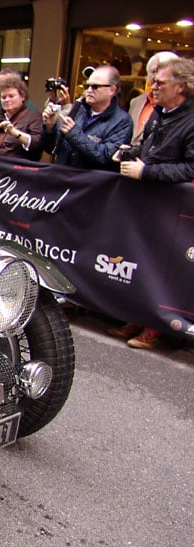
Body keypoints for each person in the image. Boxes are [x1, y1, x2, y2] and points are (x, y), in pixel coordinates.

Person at [111, 57, 194, 350]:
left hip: (173, 208)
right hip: (146, 202)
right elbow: (149, 147)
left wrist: (146, 171)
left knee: (162, 268)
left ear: (181, 86)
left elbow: (189, 168)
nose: (153, 86)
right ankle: (138, 315)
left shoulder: (191, 119)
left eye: (160, 82)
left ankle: (156, 327)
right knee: (141, 262)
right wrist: (129, 152)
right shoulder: (159, 113)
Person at [40, 65, 133, 171]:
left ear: (112, 90)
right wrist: (49, 128)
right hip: (62, 178)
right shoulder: (77, 109)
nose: (89, 90)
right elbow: (51, 148)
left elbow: (106, 157)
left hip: (90, 184)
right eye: (87, 86)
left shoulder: (122, 121)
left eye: (95, 86)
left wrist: (73, 133)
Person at [128, 51, 178, 144]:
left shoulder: (177, 106)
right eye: (154, 71)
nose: (157, 77)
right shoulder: (136, 102)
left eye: (162, 71)